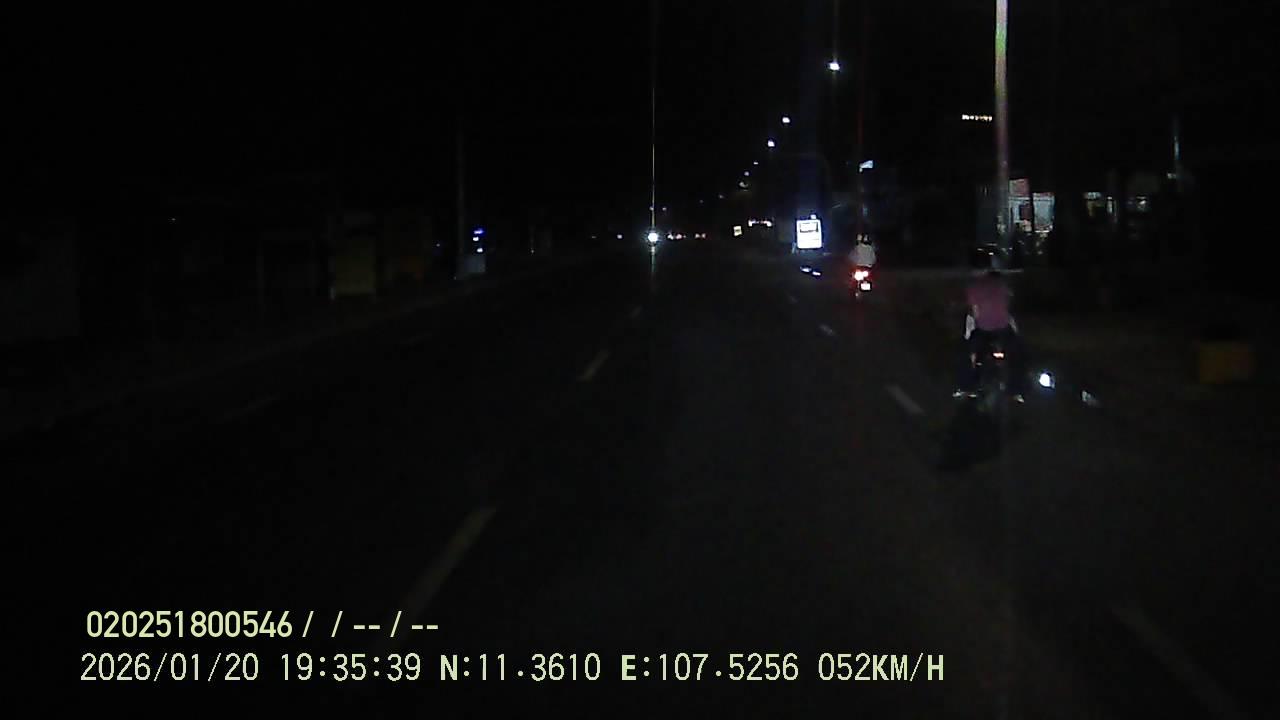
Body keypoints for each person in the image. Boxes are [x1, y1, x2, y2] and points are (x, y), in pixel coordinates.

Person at [955, 269, 1027, 401]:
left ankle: (966, 387)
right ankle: (1016, 390)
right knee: (1018, 354)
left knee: (965, 353)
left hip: (983, 330)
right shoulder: (1003, 285)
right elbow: (1009, 308)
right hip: (1003, 329)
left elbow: (974, 313)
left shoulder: (974, 287)